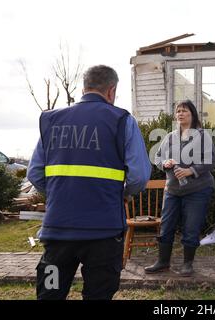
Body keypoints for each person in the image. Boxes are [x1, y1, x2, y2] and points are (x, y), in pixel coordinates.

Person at [27, 65, 151, 300]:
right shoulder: (122, 121)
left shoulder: (51, 120)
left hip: (58, 236)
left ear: (83, 88)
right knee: (98, 294)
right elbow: (139, 176)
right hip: (103, 234)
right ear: (111, 91)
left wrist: (57, 195)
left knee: (50, 292)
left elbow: (34, 174)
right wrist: (123, 194)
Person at [145, 100, 215, 276]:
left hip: (197, 190)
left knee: (191, 227)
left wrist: (190, 170)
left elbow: (210, 160)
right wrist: (165, 163)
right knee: (166, 226)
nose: (180, 114)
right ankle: (162, 262)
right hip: (173, 190)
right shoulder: (169, 137)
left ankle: (187, 264)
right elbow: (157, 157)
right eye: (178, 111)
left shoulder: (202, 135)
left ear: (192, 115)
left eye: (184, 111)